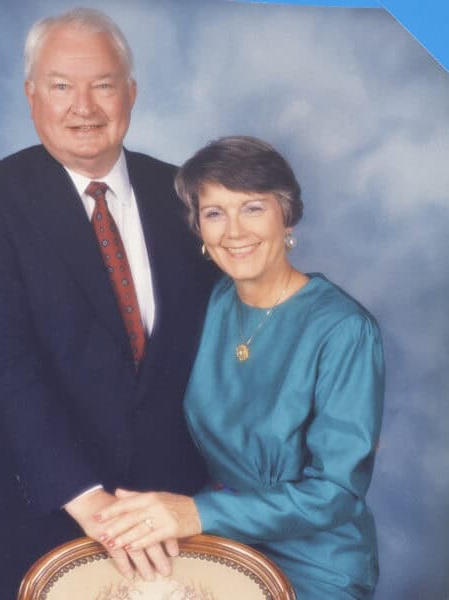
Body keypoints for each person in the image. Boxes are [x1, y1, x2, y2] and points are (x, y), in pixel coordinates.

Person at [0, 8, 216, 599]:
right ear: (32, 94)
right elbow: (1, 369)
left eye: (103, 84)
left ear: (132, 94)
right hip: (39, 512)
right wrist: (92, 504)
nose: (83, 107)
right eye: (62, 85)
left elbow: (224, 346)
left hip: (171, 513)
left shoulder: (185, 197)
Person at [95, 136, 385, 599]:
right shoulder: (207, 305)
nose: (234, 232)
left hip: (315, 563)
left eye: (252, 208)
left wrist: (195, 513)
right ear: (200, 229)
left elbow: (338, 493)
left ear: (286, 214)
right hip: (219, 545)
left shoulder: (344, 330)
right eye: (214, 213)